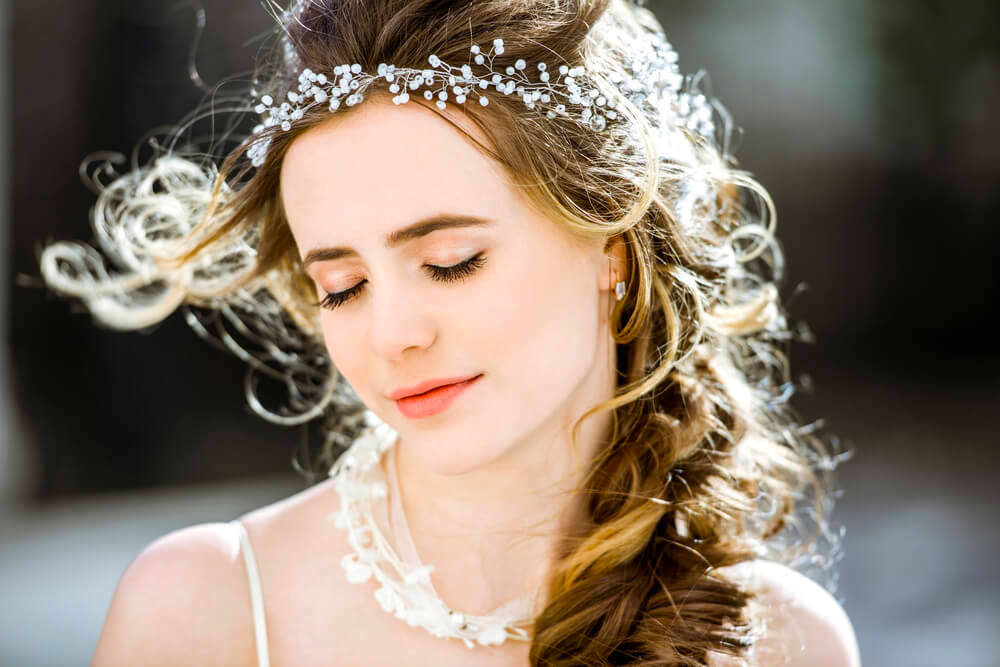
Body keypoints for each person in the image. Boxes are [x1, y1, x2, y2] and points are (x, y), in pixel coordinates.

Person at [37, 0, 860, 664]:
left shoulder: (787, 643)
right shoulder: (206, 609)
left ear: (612, 249)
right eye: (344, 285)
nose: (393, 335)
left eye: (452, 261)